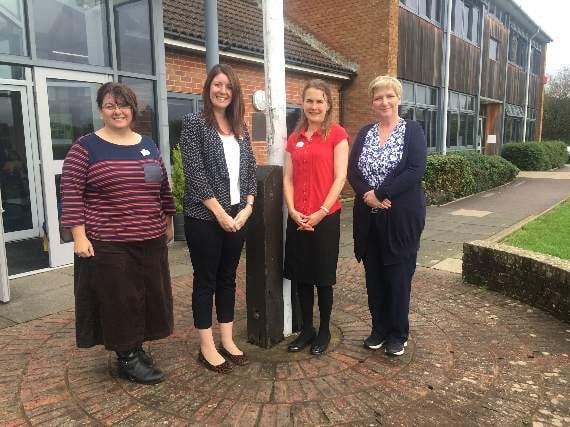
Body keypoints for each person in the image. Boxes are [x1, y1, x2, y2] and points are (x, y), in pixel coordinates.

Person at [61, 82, 175, 384]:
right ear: (101, 110)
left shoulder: (147, 144)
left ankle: (136, 347)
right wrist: (79, 236)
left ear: (132, 109)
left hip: (149, 238)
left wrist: (168, 221)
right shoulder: (85, 147)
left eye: (123, 105)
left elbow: (162, 187)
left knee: (147, 296)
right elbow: (71, 192)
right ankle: (126, 356)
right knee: (120, 299)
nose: (118, 111)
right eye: (110, 105)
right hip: (109, 241)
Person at [180, 64, 257, 373]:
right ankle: (206, 345)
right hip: (205, 217)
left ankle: (227, 339)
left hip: (239, 216)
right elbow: (195, 173)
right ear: (208, 88)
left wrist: (249, 206)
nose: (222, 90)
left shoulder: (241, 127)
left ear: (234, 92)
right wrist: (220, 213)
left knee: (228, 278)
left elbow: (251, 169)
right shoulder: (194, 123)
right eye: (217, 84)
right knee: (206, 280)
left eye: (228, 86)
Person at [348, 75, 427, 357]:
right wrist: (368, 195)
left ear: (398, 98)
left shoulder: (412, 131)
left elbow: (415, 169)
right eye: (378, 97)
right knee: (375, 276)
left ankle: (398, 333)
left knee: (398, 276)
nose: (384, 101)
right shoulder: (365, 132)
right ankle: (379, 329)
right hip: (368, 218)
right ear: (372, 102)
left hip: (401, 218)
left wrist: (380, 193)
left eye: (389, 96)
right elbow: (352, 171)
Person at [283, 79, 349, 355]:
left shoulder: (336, 134)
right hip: (298, 218)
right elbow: (287, 178)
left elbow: (340, 177)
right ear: (303, 104)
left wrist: (321, 212)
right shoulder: (294, 138)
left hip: (325, 218)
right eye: (309, 101)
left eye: (319, 101)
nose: (314, 106)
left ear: (328, 105)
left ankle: (323, 330)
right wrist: (292, 210)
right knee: (301, 276)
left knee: (322, 276)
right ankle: (306, 329)